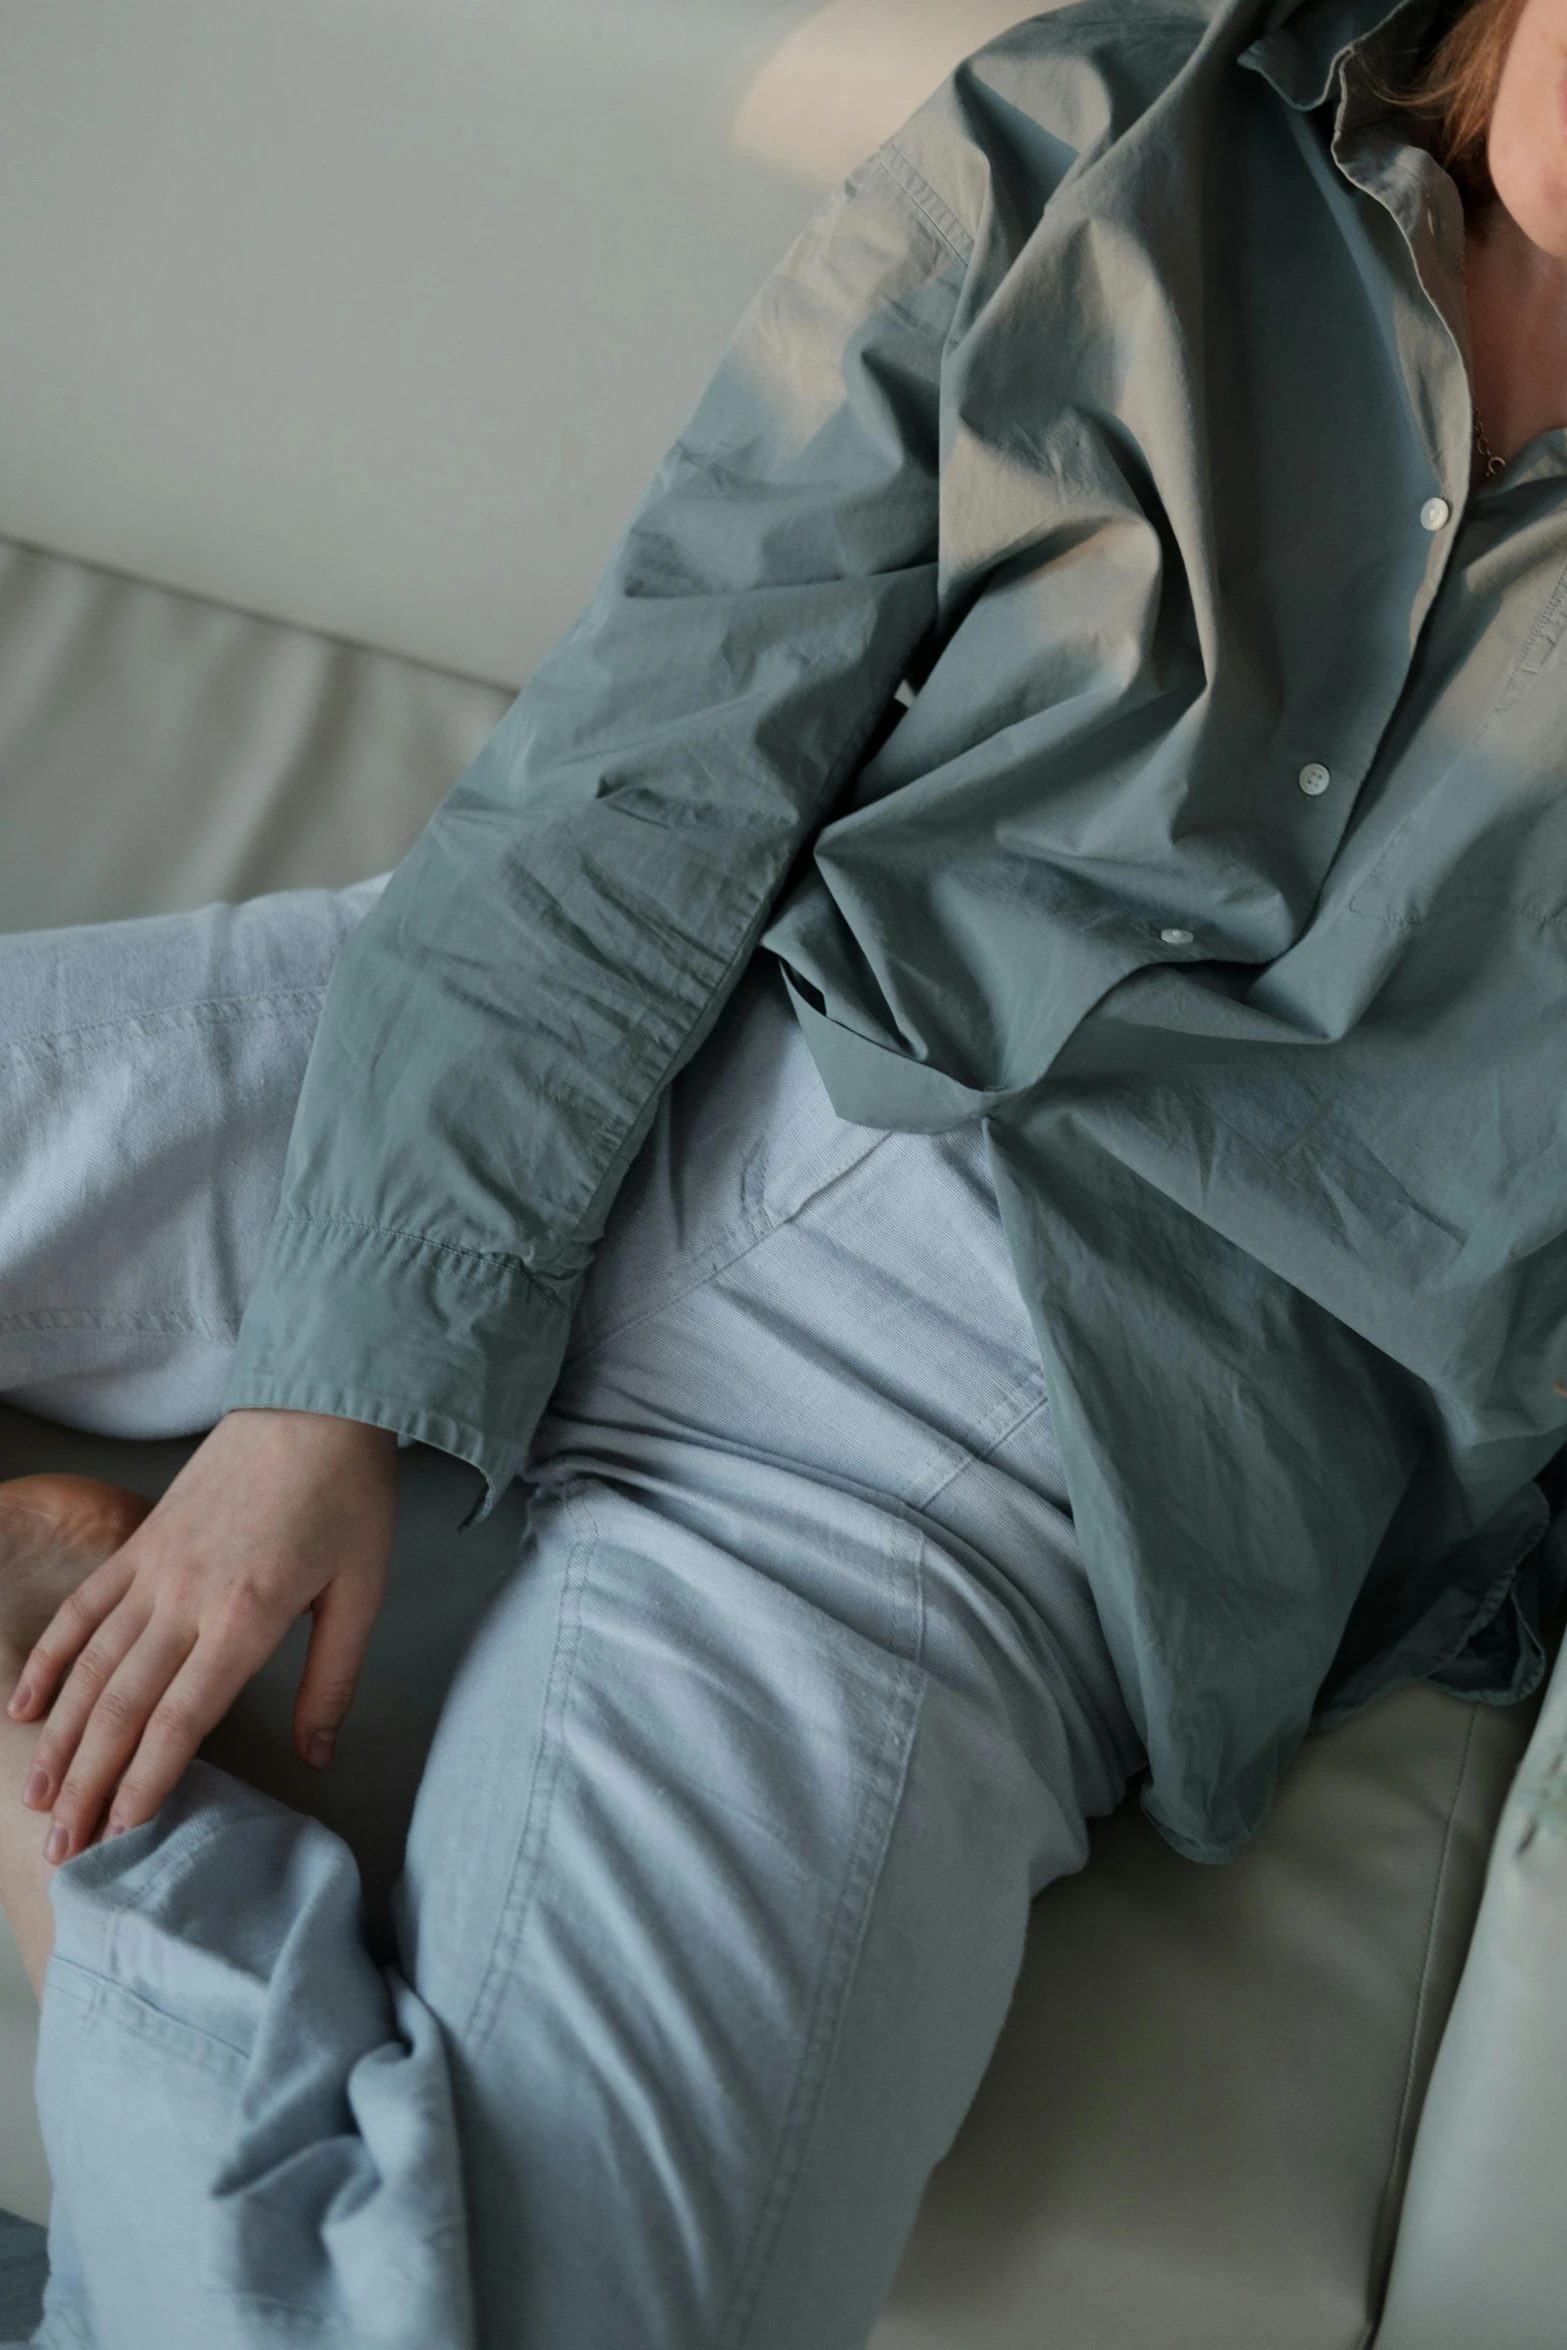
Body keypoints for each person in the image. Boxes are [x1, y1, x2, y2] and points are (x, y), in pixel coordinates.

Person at [2, 0, 1567, 2335]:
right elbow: (652, 751)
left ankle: (69, 1771)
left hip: (971, 1494)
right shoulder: (1110, 127)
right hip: (589, 1050)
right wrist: (328, 1386)